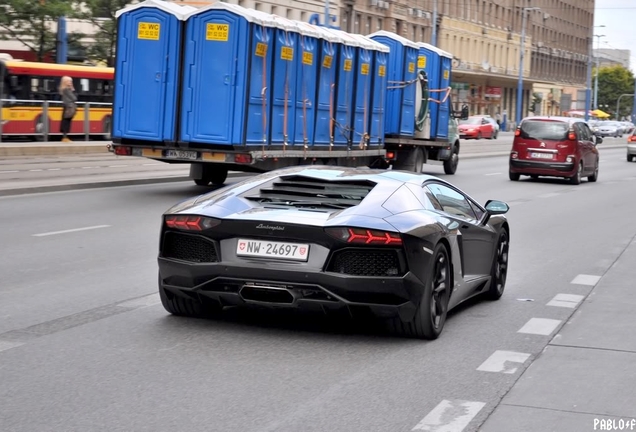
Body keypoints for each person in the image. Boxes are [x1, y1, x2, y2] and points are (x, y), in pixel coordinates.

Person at [59, 76, 77, 142]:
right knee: (66, 122)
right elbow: (74, 98)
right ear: (65, 82)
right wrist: (72, 89)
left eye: (71, 81)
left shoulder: (64, 89)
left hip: (66, 107)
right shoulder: (66, 89)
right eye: (69, 81)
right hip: (68, 107)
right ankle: (65, 137)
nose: (71, 82)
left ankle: (65, 137)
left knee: (66, 121)